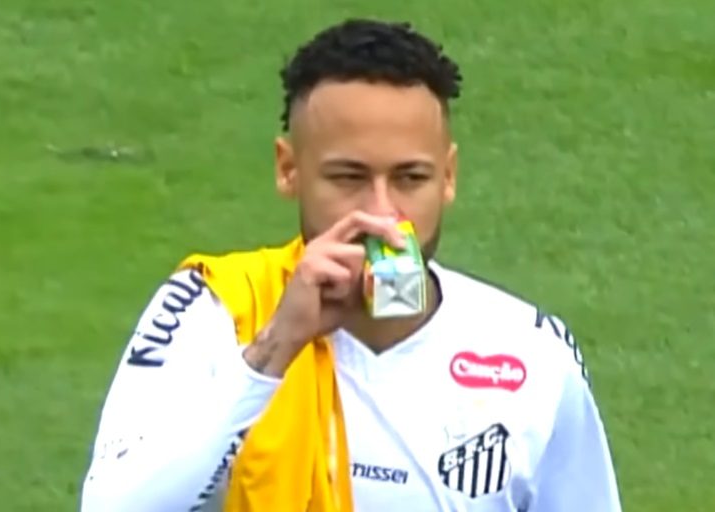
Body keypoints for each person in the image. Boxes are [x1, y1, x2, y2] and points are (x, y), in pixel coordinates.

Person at [79, 18, 622, 512]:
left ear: (449, 177)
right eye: (348, 178)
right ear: (289, 169)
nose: (382, 214)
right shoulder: (214, 311)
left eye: (410, 178)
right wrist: (274, 350)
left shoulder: (531, 351)